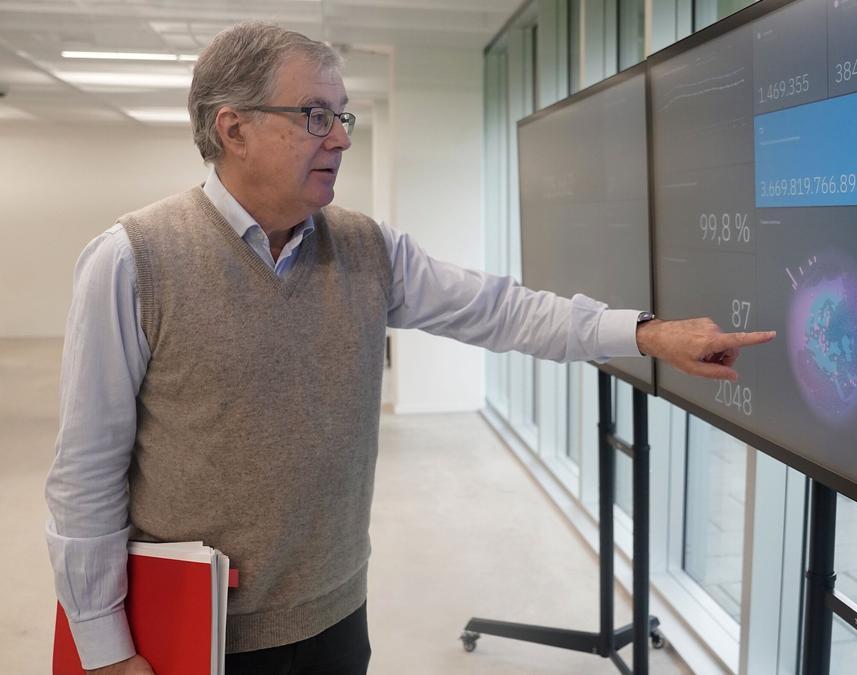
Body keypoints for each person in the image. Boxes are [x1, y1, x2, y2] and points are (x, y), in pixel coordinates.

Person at [44, 22, 775, 675]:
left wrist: (644, 333)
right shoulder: (133, 260)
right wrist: (104, 648)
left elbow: (500, 310)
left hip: (335, 617)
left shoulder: (368, 248)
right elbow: (85, 474)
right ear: (233, 129)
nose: (341, 137)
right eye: (315, 116)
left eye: (343, 116)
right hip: (194, 636)